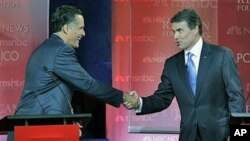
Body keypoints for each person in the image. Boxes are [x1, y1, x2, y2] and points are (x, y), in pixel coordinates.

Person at [7, 5, 137, 141]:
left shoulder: (48, 48)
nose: (84, 33)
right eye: (80, 28)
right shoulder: (60, 51)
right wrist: (124, 97)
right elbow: (88, 84)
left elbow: (55, 92)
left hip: (32, 128)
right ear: (66, 28)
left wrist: (69, 121)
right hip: (36, 130)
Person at [123, 8, 246, 141]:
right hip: (188, 136)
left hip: (220, 136)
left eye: (180, 30)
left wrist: (236, 134)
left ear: (195, 29)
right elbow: (162, 99)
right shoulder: (172, 64)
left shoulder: (221, 56)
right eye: (173, 31)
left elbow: (236, 97)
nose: (175, 36)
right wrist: (138, 103)